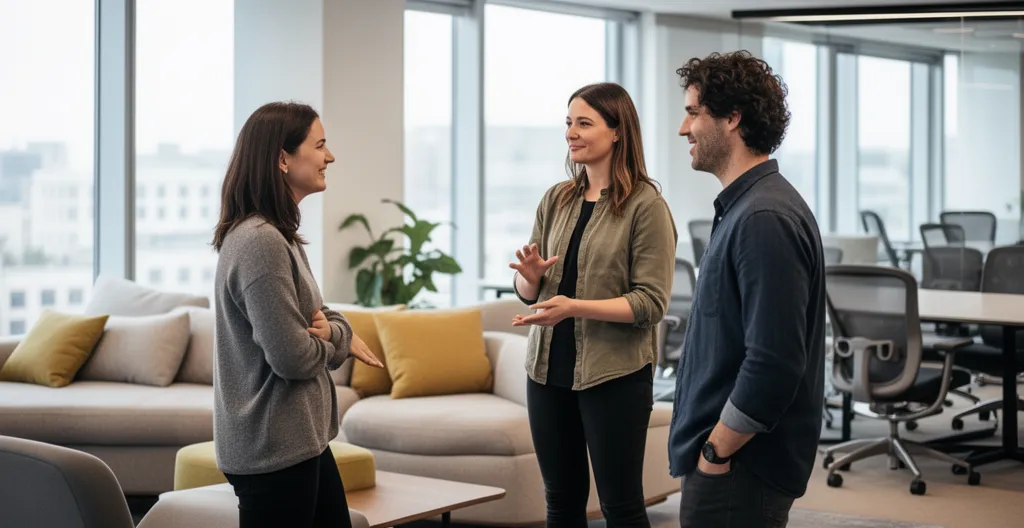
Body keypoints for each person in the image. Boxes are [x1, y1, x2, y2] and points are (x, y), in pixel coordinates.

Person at [667, 51, 827, 527]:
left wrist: (716, 450)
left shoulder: (763, 218)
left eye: (693, 112)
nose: (683, 128)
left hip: (740, 467)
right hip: (733, 465)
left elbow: (774, 362)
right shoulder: (746, 208)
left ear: (732, 118)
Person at [510, 82, 678, 527]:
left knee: (620, 506)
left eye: (584, 123)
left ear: (617, 131)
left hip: (615, 373)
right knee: (561, 503)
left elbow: (651, 302)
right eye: (569, 123)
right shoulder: (556, 198)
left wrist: (576, 307)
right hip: (546, 371)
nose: (571, 133)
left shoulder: (647, 206)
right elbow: (533, 290)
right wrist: (527, 281)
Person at [211, 101, 384, 528]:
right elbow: (291, 356)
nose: (331, 156)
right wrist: (338, 339)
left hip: (298, 443)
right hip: (274, 450)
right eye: (320, 145)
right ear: (283, 158)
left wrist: (331, 330)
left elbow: (321, 314)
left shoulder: (280, 236)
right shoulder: (260, 242)